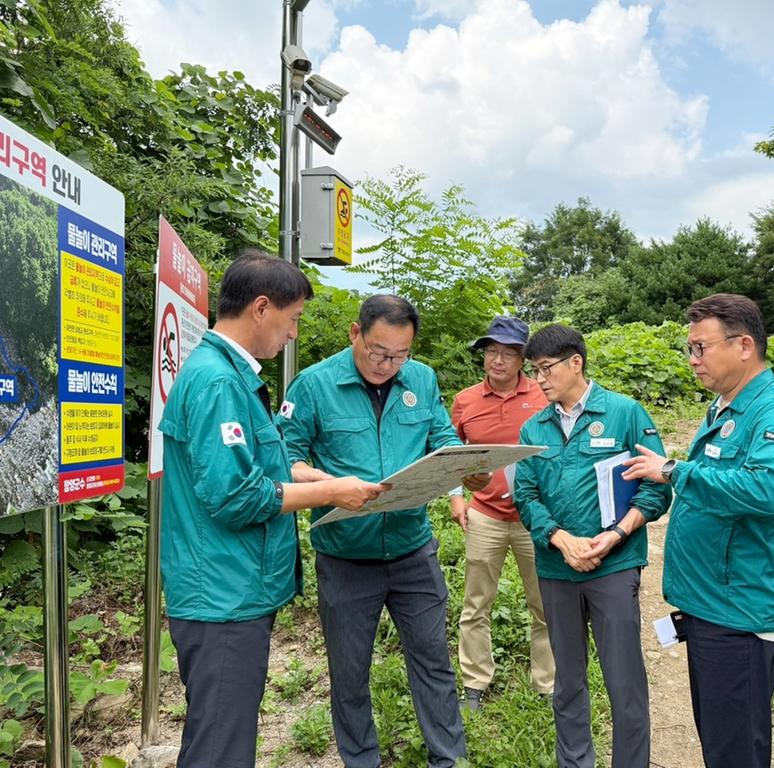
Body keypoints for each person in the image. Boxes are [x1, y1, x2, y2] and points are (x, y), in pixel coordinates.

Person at [159, 251, 386, 768]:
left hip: (232, 586)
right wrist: (331, 494)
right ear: (262, 308)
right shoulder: (217, 381)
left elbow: (249, 464)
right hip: (222, 591)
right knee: (221, 747)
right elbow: (235, 495)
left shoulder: (229, 375)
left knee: (220, 734)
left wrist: (307, 475)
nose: (294, 334)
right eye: (294, 319)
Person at [278, 294, 488, 768]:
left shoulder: (422, 379)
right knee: (349, 672)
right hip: (345, 556)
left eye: (400, 355)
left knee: (433, 660)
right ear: (356, 334)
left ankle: (448, 760)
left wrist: (466, 468)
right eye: (378, 351)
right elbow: (284, 461)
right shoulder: (314, 385)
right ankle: (361, 761)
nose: (387, 364)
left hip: (413, 550)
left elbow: (441, 438)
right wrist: (332, 487)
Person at [623, 293, 774, 768]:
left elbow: (768, 490)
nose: (692, 360)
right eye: (690, 348)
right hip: (712, 608)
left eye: (700, 348)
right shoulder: (723, 407)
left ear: (744, 345)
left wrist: (673, 471)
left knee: (735, 749)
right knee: (720, 740)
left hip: (740, 615)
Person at [513, 324, 672, 768]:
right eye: (535, 371)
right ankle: (575, 762)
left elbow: (656, 490)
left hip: (613, 568)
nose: (539, 379)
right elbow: (525, 496)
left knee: (624, 682)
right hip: (557, 568)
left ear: (575, 363)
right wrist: (561, 539)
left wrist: (617, 535)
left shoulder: (624, 414)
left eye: (546, 369)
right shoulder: (534, 427)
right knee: (568, 681)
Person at [449, 316, 555, 711]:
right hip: (486, 515)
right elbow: (450, 455)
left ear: (523, 359)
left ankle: (547, 685)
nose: (497, 360)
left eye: (508, 353)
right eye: (491, 351)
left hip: (536, 516)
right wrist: (457, 498)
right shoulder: (465, 401)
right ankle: (475, 683)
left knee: (544, 603)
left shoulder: (544, 394)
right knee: (476, 603)